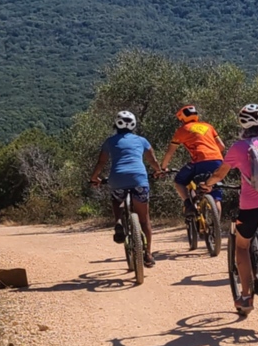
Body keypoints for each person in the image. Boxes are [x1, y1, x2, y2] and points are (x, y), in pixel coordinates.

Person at [204, 104, 258, 312]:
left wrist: (208, 184)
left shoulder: (238, 147)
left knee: (242, 246)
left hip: (251, 207)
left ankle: (246, 297)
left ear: (242, 124)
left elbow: (220, 174)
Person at [89, 110, 164, 265]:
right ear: (134, 124)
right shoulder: (142, 140)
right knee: (144, 220)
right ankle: (148, 255)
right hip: (139, 179)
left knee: (117, 200)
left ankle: (118, 222)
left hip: (117, 179)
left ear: (116, 124)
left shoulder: (110, 141)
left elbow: (101, 162)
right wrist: (158, 171)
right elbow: (152, 160)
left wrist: (94, 178)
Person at [161, 105, 227, 211]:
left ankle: (188, 204)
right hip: (218, 161)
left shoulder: (182, 130)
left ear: (182, 118)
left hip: (199, 161)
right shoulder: (208, 126)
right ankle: (216, 226)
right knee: (215, 195)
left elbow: (170, 152)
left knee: (179, 181)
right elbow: (222, 147)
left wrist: (163, 168)